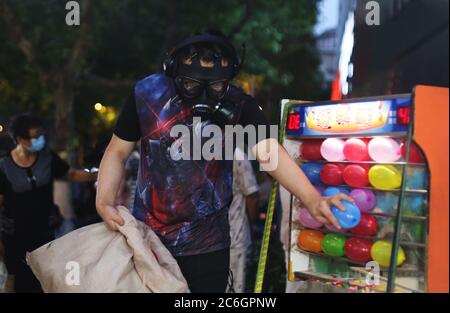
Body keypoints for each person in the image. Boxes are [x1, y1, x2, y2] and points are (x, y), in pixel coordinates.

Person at [96, 30, 353, 293]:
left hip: (209, 247)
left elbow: (269, 153)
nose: (203, 96)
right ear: (173, 70)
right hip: (149, 241)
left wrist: (312, 198)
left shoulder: (239, 103)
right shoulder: (146, 93)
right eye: (192, 85)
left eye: (216, 87)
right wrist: (104, 200)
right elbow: (117, 150)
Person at [0, 113, 97, 293]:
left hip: (44, 232)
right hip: (15, 236)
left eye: (41, 134)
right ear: (21, 139)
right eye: (35, 136)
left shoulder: (47, 157)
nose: (40, 139)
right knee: (18, 282)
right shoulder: (4, 166)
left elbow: (70, 174)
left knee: (45, 280)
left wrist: (95, 175)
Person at [227, 148, 259, 293]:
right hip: (232, 237)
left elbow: (252, 196)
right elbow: (252, 196)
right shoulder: (236, 154)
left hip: (232, 238)